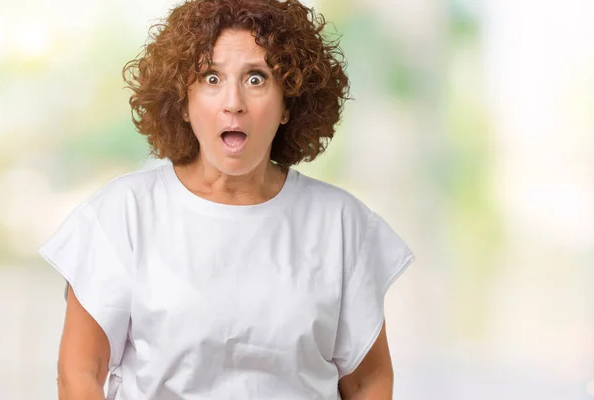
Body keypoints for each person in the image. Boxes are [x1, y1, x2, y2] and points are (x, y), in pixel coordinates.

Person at [38, 0, 415, 399]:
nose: (233, 102)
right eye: (211, 78)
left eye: (256, 78)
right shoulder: (124, 214)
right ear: (183, 101)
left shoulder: (340, 224)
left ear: (288, 102)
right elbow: (79, 372)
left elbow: (367, 381)